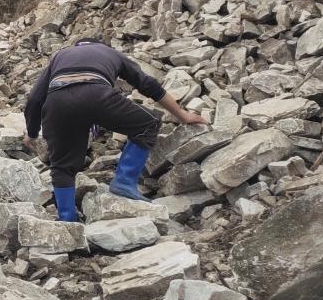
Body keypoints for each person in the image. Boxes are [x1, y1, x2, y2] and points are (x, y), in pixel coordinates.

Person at [23, 38, 207, 222]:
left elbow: (34, 99)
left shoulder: (61, 55)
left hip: (57, 103)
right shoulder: (110, 52)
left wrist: (31, 133)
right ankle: (125, 181)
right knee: (147, 123)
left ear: (78, 46)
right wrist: (182, 115)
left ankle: (67, 221)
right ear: (100, 45)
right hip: (96, 94)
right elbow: (148, 85)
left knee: (62, 165)